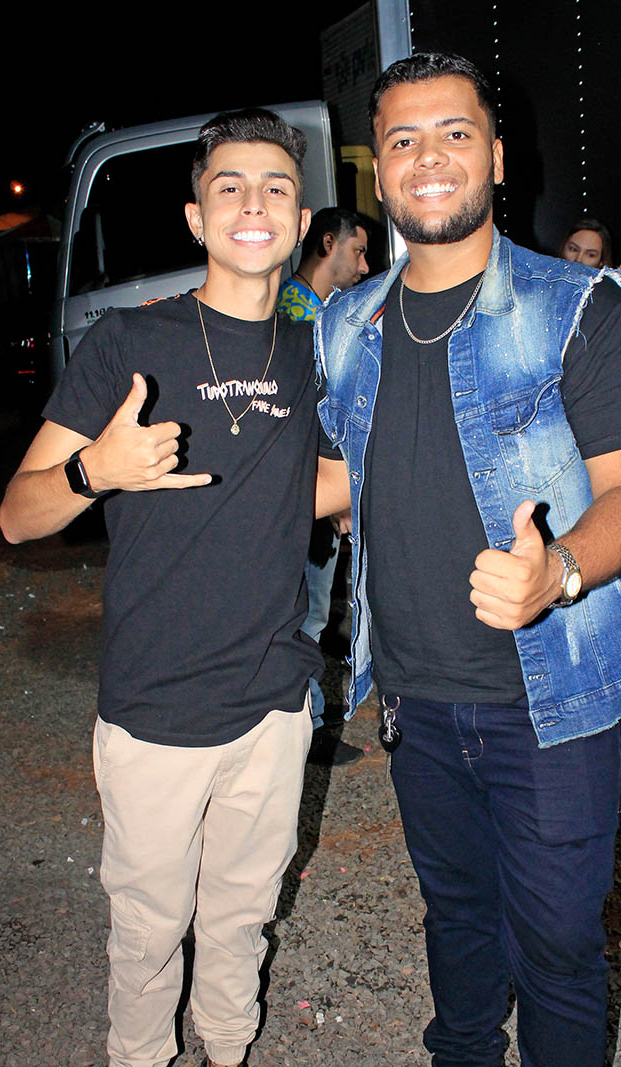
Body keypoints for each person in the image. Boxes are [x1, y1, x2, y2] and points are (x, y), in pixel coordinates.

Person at [314, 52, 621, 1067]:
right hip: (417, 694)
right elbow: (334, 477)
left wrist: (555, 571)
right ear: (380, 172)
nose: (428, 158)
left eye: (454, 134)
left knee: (558, 941)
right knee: (457, 914)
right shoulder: (346, 326)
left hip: (551, 696)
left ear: (496, 156)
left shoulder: (577, 311)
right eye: (403, 140)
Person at [0, 107, 345, 1067]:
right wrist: (95, 473)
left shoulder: (312, 353)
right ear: (197, 217)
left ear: (300, 219)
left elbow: (305, 488)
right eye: (229, 186)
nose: (253, 203)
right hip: (152, 706)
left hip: (271, 698)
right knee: (148, 924)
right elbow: (17, 515)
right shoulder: (129, 344)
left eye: (276, 186)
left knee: (242, 909)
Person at [278, 207, 370, 765]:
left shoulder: (315, 309)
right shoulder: (298, 316)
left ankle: (310, 711)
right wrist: (335, 496)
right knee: (307, 613)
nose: (364, 265)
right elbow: (307, 417)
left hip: (315, 487)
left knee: (310, 611)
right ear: (327, 243)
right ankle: (307, 727)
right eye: (357, 251)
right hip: (309, 490)